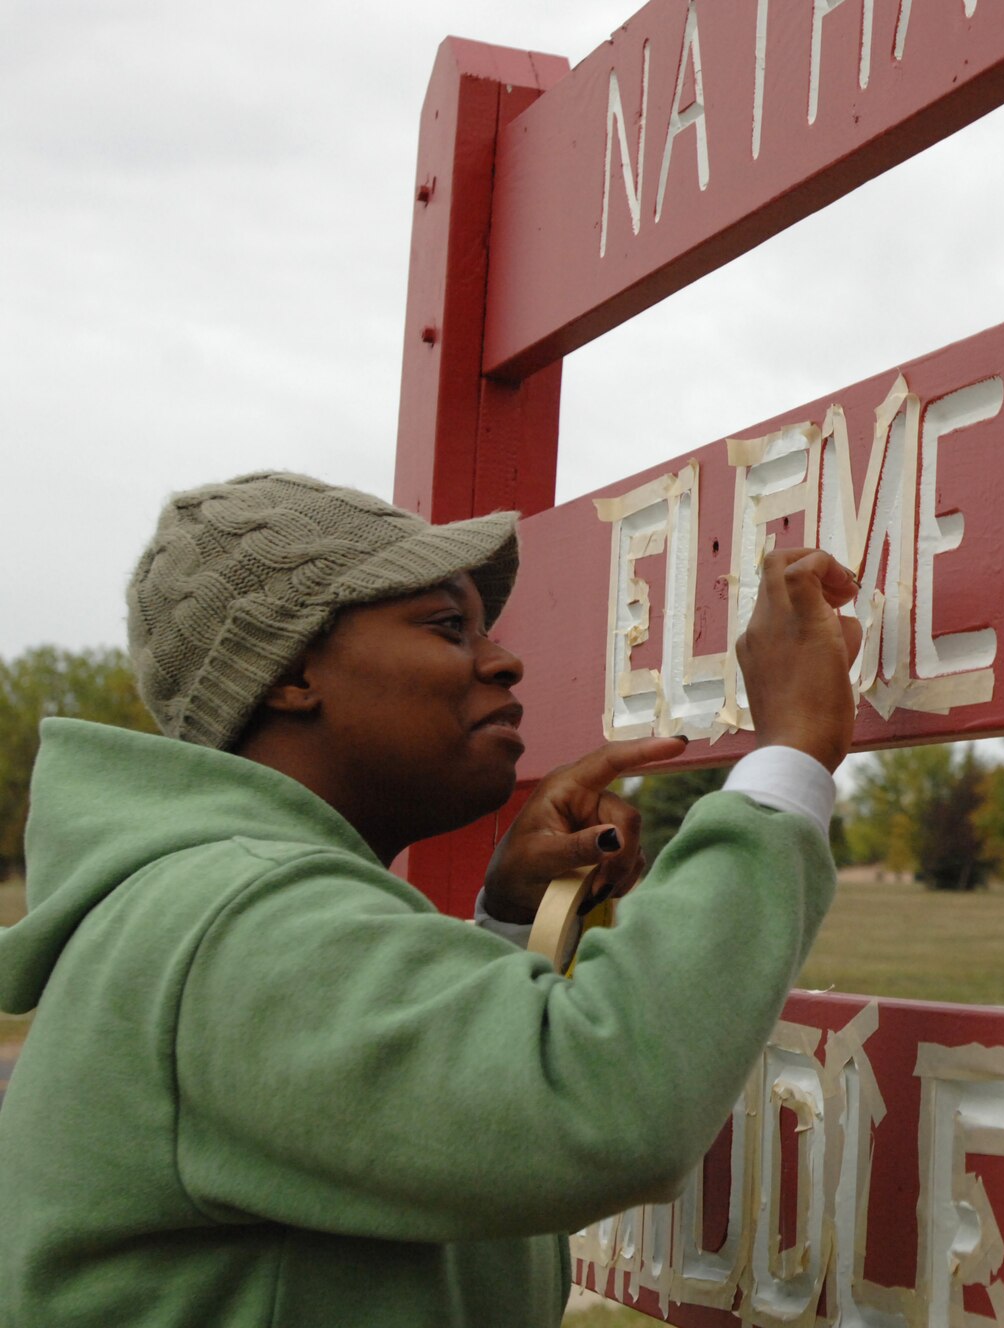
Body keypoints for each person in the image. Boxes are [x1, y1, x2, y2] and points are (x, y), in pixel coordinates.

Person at [0, 471, 862, 1327]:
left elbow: (432, 1144)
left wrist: (511, 924)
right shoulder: (236, 923)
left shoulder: (216, 904)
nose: (503, 657)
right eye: (448, 625)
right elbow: (603, 1104)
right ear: (292, 672)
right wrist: (786, 766)